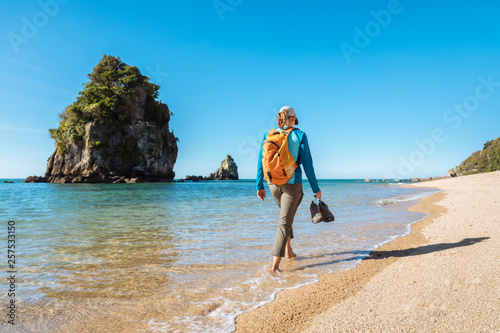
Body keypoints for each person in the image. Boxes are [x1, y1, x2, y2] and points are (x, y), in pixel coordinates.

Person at [256, 106, 322, 273]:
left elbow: (260, 162)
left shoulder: (269, 135)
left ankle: (288, 251)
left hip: (272, 184)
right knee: (284, 222)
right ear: (294, 118)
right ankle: (274, 268)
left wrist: (259, 185)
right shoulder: (300, 135)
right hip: (292, 185)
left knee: (286, 217)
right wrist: (316, 189)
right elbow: (308, 165)